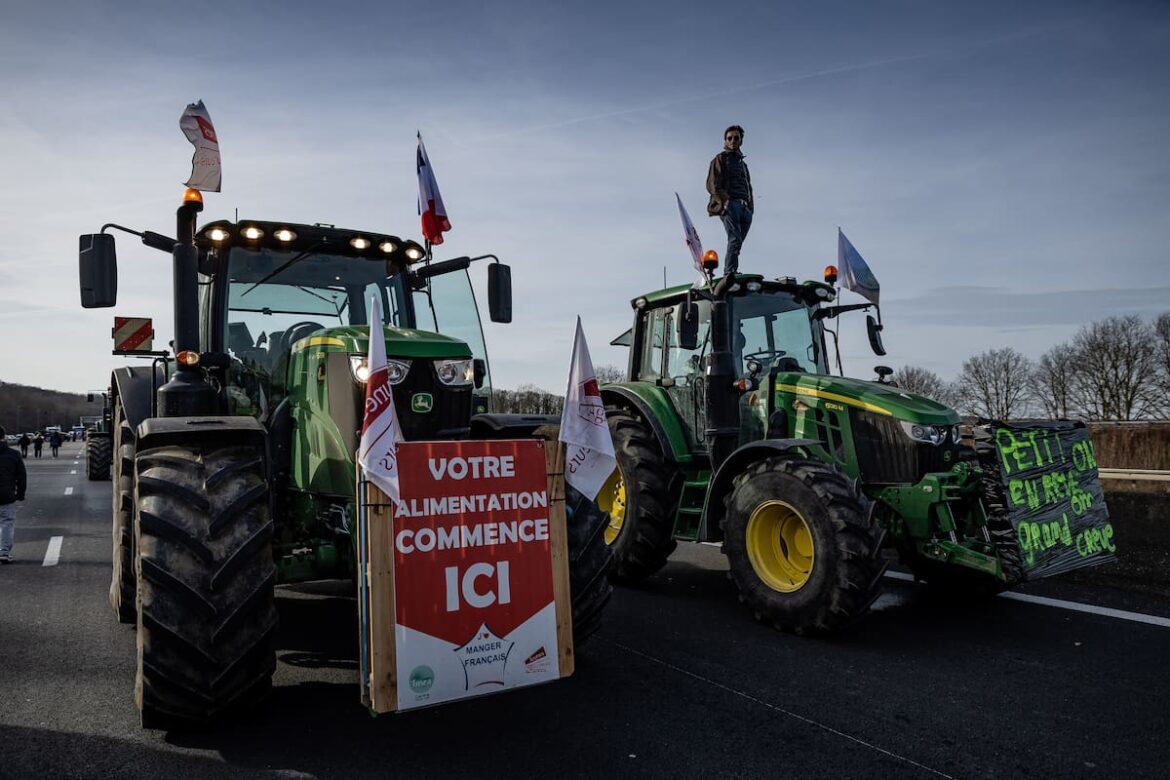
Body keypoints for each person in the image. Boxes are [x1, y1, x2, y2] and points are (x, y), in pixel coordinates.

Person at [706, 124, 754, 274]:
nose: (733, 141)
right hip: (730, 205)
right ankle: (729, 273)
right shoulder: (721, 159)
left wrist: (750, 208)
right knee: (735, 239)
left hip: (745, 208)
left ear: (741, 141)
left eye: (736, 138)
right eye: (729, 138)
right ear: (725, 141)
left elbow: (748, 186)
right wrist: (725, 202)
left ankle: (732, 272)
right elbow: (712, 184)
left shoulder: (743, 165)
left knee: (737, 244)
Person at [0, 426, 28, 564]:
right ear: (3, 437)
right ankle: (4, 552)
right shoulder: (14, 454)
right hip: (6, 495)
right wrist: (20, 494)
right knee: (6, 523)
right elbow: (21, 477)